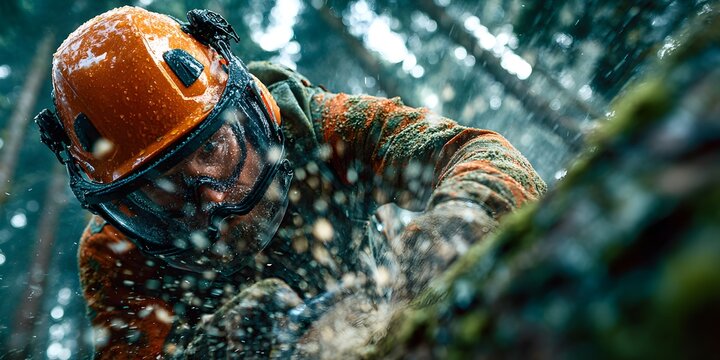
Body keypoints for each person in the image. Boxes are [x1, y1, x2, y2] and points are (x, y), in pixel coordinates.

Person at [35, 6, 546, 359]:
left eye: (213, 150)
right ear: (122, 207)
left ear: (254, 113)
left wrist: (460, 223)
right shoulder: (117, 254)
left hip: (404, 318)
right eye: (164, 189)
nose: (211, 199)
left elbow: (475, 152)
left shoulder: (314, 129)